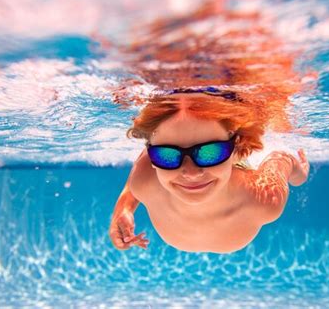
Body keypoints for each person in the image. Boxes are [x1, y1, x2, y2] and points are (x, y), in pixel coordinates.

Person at [109, 87, 309, 253]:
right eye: (167, 156)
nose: (191, 173)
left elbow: (281, 160)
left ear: (235, 147)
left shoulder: (262, 200)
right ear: (153, 158)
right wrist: (123, 210)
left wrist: (299, 174)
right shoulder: (144, 179)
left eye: (210, 152)